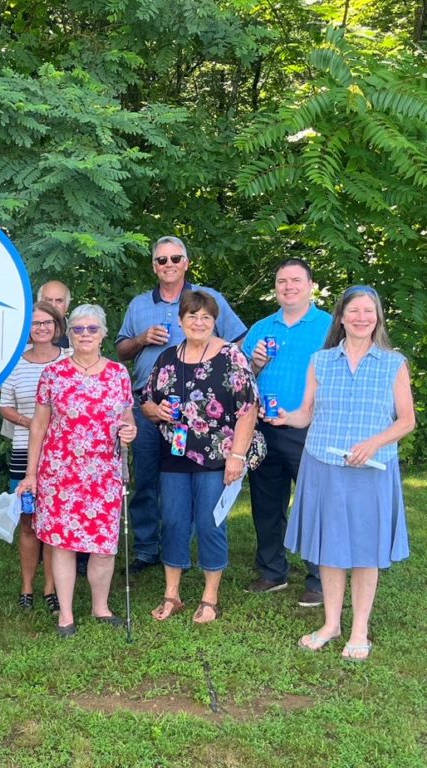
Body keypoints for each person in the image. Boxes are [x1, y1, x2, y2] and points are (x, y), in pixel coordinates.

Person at [274, 286, 414, 661]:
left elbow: (407, 421)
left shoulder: (393, 363)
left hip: (372, 469)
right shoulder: (320, 361)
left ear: (378, 318)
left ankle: (360, 630)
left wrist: (374, 442)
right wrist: (289, 418)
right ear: (341, 317)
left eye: (369, 311)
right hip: (324, 465)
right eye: (354, 310)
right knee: (330, 549)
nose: (361, 317)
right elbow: (307, 412)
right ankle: (331, 624)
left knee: (366, 552)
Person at [116, 236, 246, 574]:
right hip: (149, 404)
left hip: (200, 415)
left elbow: (237, 339)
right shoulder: (139, 305)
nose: (169, 264)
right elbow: (121, 351)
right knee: (147, 479)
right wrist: (143, 339)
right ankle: (147, 550)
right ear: (154, 266)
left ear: (187, 262)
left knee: (190, 477)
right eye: (162, 260)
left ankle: (180, 548)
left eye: (176, 258)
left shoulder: (208, 298)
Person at [142, 290, 262, 624]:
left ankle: (210, 597)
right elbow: (147, 402)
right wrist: (157, 410)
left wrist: (237, 456)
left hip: (218, 455)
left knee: (210, 523)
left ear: (215, 321)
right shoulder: (167, 358)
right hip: (175, 454)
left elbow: (249, 410)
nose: (198, 322)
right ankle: (172, 594)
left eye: (206, 317)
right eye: (192, 316)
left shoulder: (231, 357)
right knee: (175, 521)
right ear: (181, 321)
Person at [17, 304, 137, 636]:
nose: (86, 335)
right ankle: (66, 615)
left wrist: (129, 429)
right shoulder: (53, 374)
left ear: (103, 335)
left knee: (103, 544)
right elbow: (39, 427)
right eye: (79, 329)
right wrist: (30, 474)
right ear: (69, 334)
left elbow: (126, 419)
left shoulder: (118, 374)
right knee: (63, 543)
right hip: (60, 473)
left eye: (92, 329)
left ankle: (101, 608)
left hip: (104, 474)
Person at [241, 258, 332, 606]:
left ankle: (320, 578)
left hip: (310, 427)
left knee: (313, 502)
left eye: (296, 280)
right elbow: (241, 379)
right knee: (266, 502)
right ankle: (271, 571)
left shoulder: (328, 326)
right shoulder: (262, 328)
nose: (288, 286)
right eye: (282, 281)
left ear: (311, 285)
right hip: (263, 428)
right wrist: (255, 364)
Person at [0, 301, 67, 613]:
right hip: (24, 451)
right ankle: (26, 586)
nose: (41, 328)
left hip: (62, 455)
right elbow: (5, 406)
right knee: (28, 521)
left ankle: (51, 589)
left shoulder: (69, 360)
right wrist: (32, 423)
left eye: (47, 322)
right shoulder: (14, 364)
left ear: (57, 326)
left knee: (54, 524)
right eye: (35, 323)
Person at [37, 281, 71, 348]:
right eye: (48, 300)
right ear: (39, 303)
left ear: (67, 305)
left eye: (59, 301)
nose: (53, 305)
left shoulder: (77, 333)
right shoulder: (25, 333)